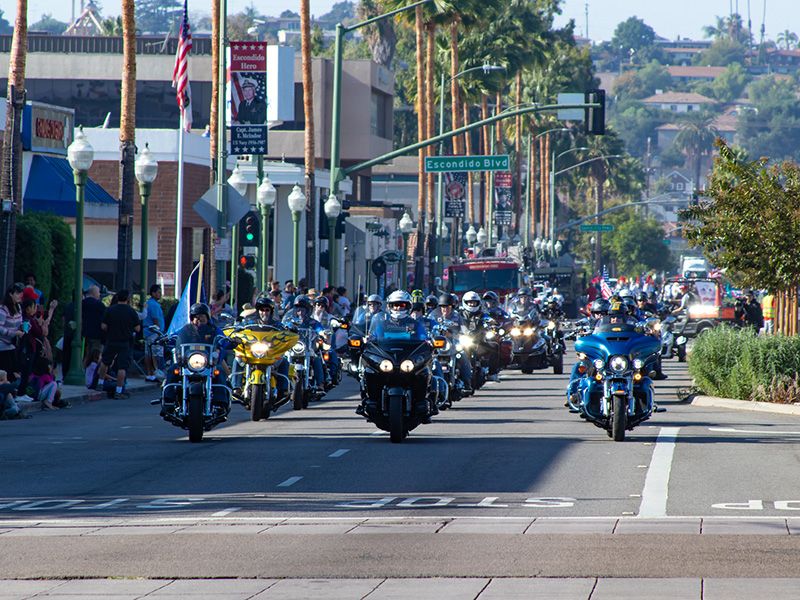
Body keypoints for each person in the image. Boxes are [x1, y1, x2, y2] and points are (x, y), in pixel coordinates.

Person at [162, 303, 230, 412]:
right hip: (187, 362)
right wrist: (165, 339)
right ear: (191, 318)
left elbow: (223, 339)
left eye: (201, 316)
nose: (198, 319)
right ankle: (168, 400)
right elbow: (174, 337)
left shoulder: (214, 330)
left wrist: (228, 341)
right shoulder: (186, 329)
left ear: (207, 317)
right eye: (195, 317)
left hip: (207, 363)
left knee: (219, 371)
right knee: (172, 370)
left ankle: (221, 403)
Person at [95, 290, 140, 399]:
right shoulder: (131, 311)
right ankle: (119, 391)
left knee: (105, 362)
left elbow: (103, 326)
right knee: (122, 367)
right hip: (125, 342)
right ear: (128, 299)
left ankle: (100, 383)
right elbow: (137, 328)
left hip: (111, 340)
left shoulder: (110, 310)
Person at [429, 293, 472, 393]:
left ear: (452, 306)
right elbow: (426, 327)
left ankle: (467, 383)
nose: (445, 309)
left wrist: (467, 333)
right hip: (437, 346)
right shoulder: (433, 316)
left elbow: (464, 328)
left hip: (453, 345)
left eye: (447, 307)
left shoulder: (457, 316)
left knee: (463, 357)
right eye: (443, 307)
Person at [282, 295, 327, 392]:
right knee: (282, 361)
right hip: (292, 347)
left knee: (316, 359)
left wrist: (322, 333)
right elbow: (283, 327)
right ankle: (282, 386)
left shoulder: (312, 322)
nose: (300, 312)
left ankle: (320, 384)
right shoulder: (291, 322)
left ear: (308, 310)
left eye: (303, 309)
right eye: (298, 309)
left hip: (307, 347)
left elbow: (319, 328)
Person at [0, 283, 25, 389]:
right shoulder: (3, 309)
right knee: (7, 371)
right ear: (10, 294)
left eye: (21, 293)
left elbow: (20, 322)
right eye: (18, 293)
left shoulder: (18, 307)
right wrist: (13, 333)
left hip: (13, 344)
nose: (20, 295)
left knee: (15, 371)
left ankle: (12, 393)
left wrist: (23, 328)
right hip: (2, 345)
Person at [142, 284, 165, 382]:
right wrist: (159, 332)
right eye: (158, 292)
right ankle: (155, 373)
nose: (160, 294)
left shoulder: (149, 303)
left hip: (149, 332)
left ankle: (150, 374)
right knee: (155, 354)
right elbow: (156, 319)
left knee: (149, 353)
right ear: (153, 293)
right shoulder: (154, 305)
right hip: (154, 333)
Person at [81, 285, 106, 368]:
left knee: (87, 354)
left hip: (84, 333)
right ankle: (91, 374)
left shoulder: (82, 303)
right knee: (95, 355)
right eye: (98, 292)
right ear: (94, 293)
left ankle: (83, 369)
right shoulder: (100, 305)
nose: (99, 295)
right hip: (97, 334)